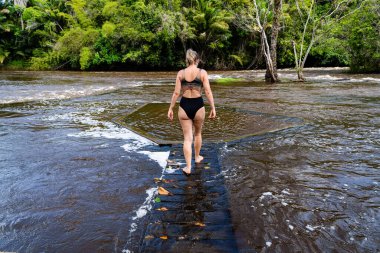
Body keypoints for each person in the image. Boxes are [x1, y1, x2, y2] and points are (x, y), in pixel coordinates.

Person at [167, 49, 216, 176]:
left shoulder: (181, 73)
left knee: (187, 139)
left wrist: (171, 108)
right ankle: (197, 156)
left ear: (187, 60)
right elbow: (208, 92)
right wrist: (213, 108)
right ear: (197, 60)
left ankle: (188, 167)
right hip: (198, 105)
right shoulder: (202, 72)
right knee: (198, 134)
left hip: (184, 106)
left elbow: (176, 93)